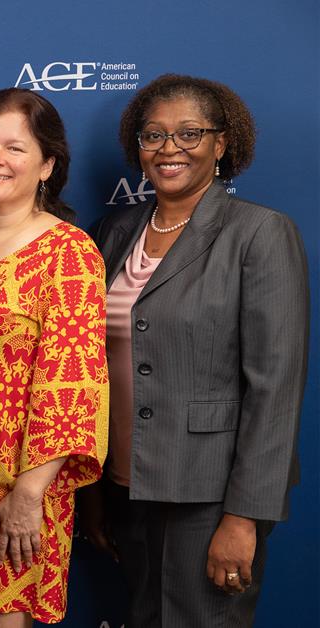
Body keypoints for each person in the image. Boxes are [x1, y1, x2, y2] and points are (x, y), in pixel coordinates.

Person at [78, 74, 308, 627]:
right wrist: (92, 490)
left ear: (221, 144)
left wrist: (243, 516)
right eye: (152, 136)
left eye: (189, 133)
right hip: (126, 485)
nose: (169, 149)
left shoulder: (258, 233)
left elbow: (275, 387)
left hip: (209, 494)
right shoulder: (116, 230)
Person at [0, 87, 108, 627]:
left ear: (47, 165)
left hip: (14, 488)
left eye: (15, 148)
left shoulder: (68, 251)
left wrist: (29, 494)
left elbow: (73, 381)